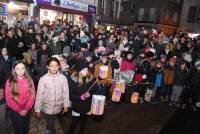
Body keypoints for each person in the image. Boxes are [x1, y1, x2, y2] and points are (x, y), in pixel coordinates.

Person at [34, 57, 70, 134]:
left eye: (56, 65)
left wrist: (66, 105)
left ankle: (48, 128)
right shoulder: (43, 79)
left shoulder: (63, 78)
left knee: (52, 120)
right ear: (48, 67)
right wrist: (37, 109)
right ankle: (50, 130)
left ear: (59, 66)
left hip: (58, 106)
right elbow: (39, 94)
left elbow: (66, 92)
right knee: (51, 124)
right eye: (52, 66)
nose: (54, 68)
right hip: (47, 107)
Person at [5, 60, 36, 134]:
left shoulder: (29, 80)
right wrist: (19, 109)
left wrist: (26, 109)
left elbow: (32, 95)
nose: (20, 71)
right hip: (15, 111)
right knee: (18, 129)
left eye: (22, 68)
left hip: (26, 109)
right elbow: (8, 98)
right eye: (18, 68)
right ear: (14, 70)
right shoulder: (9, 81)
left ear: (25, 69)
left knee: (26, 127)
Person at [68, 60, 96, 134]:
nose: (86, 71)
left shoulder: (90, 78)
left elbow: (94, 90)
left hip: (86, 106)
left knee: (83, 122)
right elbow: (70, 95)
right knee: (74, 122)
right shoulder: (74, 80)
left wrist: (90, 93)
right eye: (84, 69)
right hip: (77, 106)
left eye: (87, 69)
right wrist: (79, 97)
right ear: (79, 71)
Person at [0, 47, 12, 134]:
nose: (5, 52)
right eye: (3, 50)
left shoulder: (8, 59)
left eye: (6, 50)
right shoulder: (1, 60)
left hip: (7, 82)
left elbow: (9, 71)